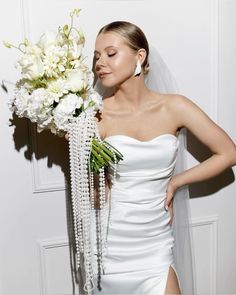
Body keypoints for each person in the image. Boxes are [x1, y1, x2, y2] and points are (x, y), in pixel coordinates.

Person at [75, 21, 236, 294]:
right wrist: (79, 143)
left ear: (140, 57)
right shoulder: (94, 116)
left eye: (111, 53)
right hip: (111, 245)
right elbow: (97, 194)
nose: (100, 63)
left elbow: (229, 153)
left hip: (155, 246)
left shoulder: (175, 107)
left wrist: (176, 182)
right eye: (97, 56)